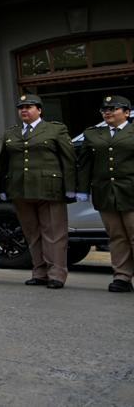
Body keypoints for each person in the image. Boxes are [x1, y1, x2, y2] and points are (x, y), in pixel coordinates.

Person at [1, 94, 77, 289]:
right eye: (21, 107)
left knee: (54, 233)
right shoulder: (11, 133)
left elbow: (68, 160)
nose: (24, 110)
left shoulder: (55, 129)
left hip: (49, 189)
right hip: (21, 189)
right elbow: (4, 163)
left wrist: (70, 188)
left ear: (39, 110)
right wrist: (3, 188)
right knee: (32, 233)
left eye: (29, 107)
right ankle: (39, 272)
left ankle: (56, 274)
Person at [78, 95, 133, 293]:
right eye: (104, 109)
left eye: (113, 109)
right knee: (116, 236)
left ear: (126, 112)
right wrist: (82, 190)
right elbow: (85, 165)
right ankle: (122, 276)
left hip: (131, 191)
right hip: (105, 193)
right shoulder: (93, 134)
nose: (107, 112)